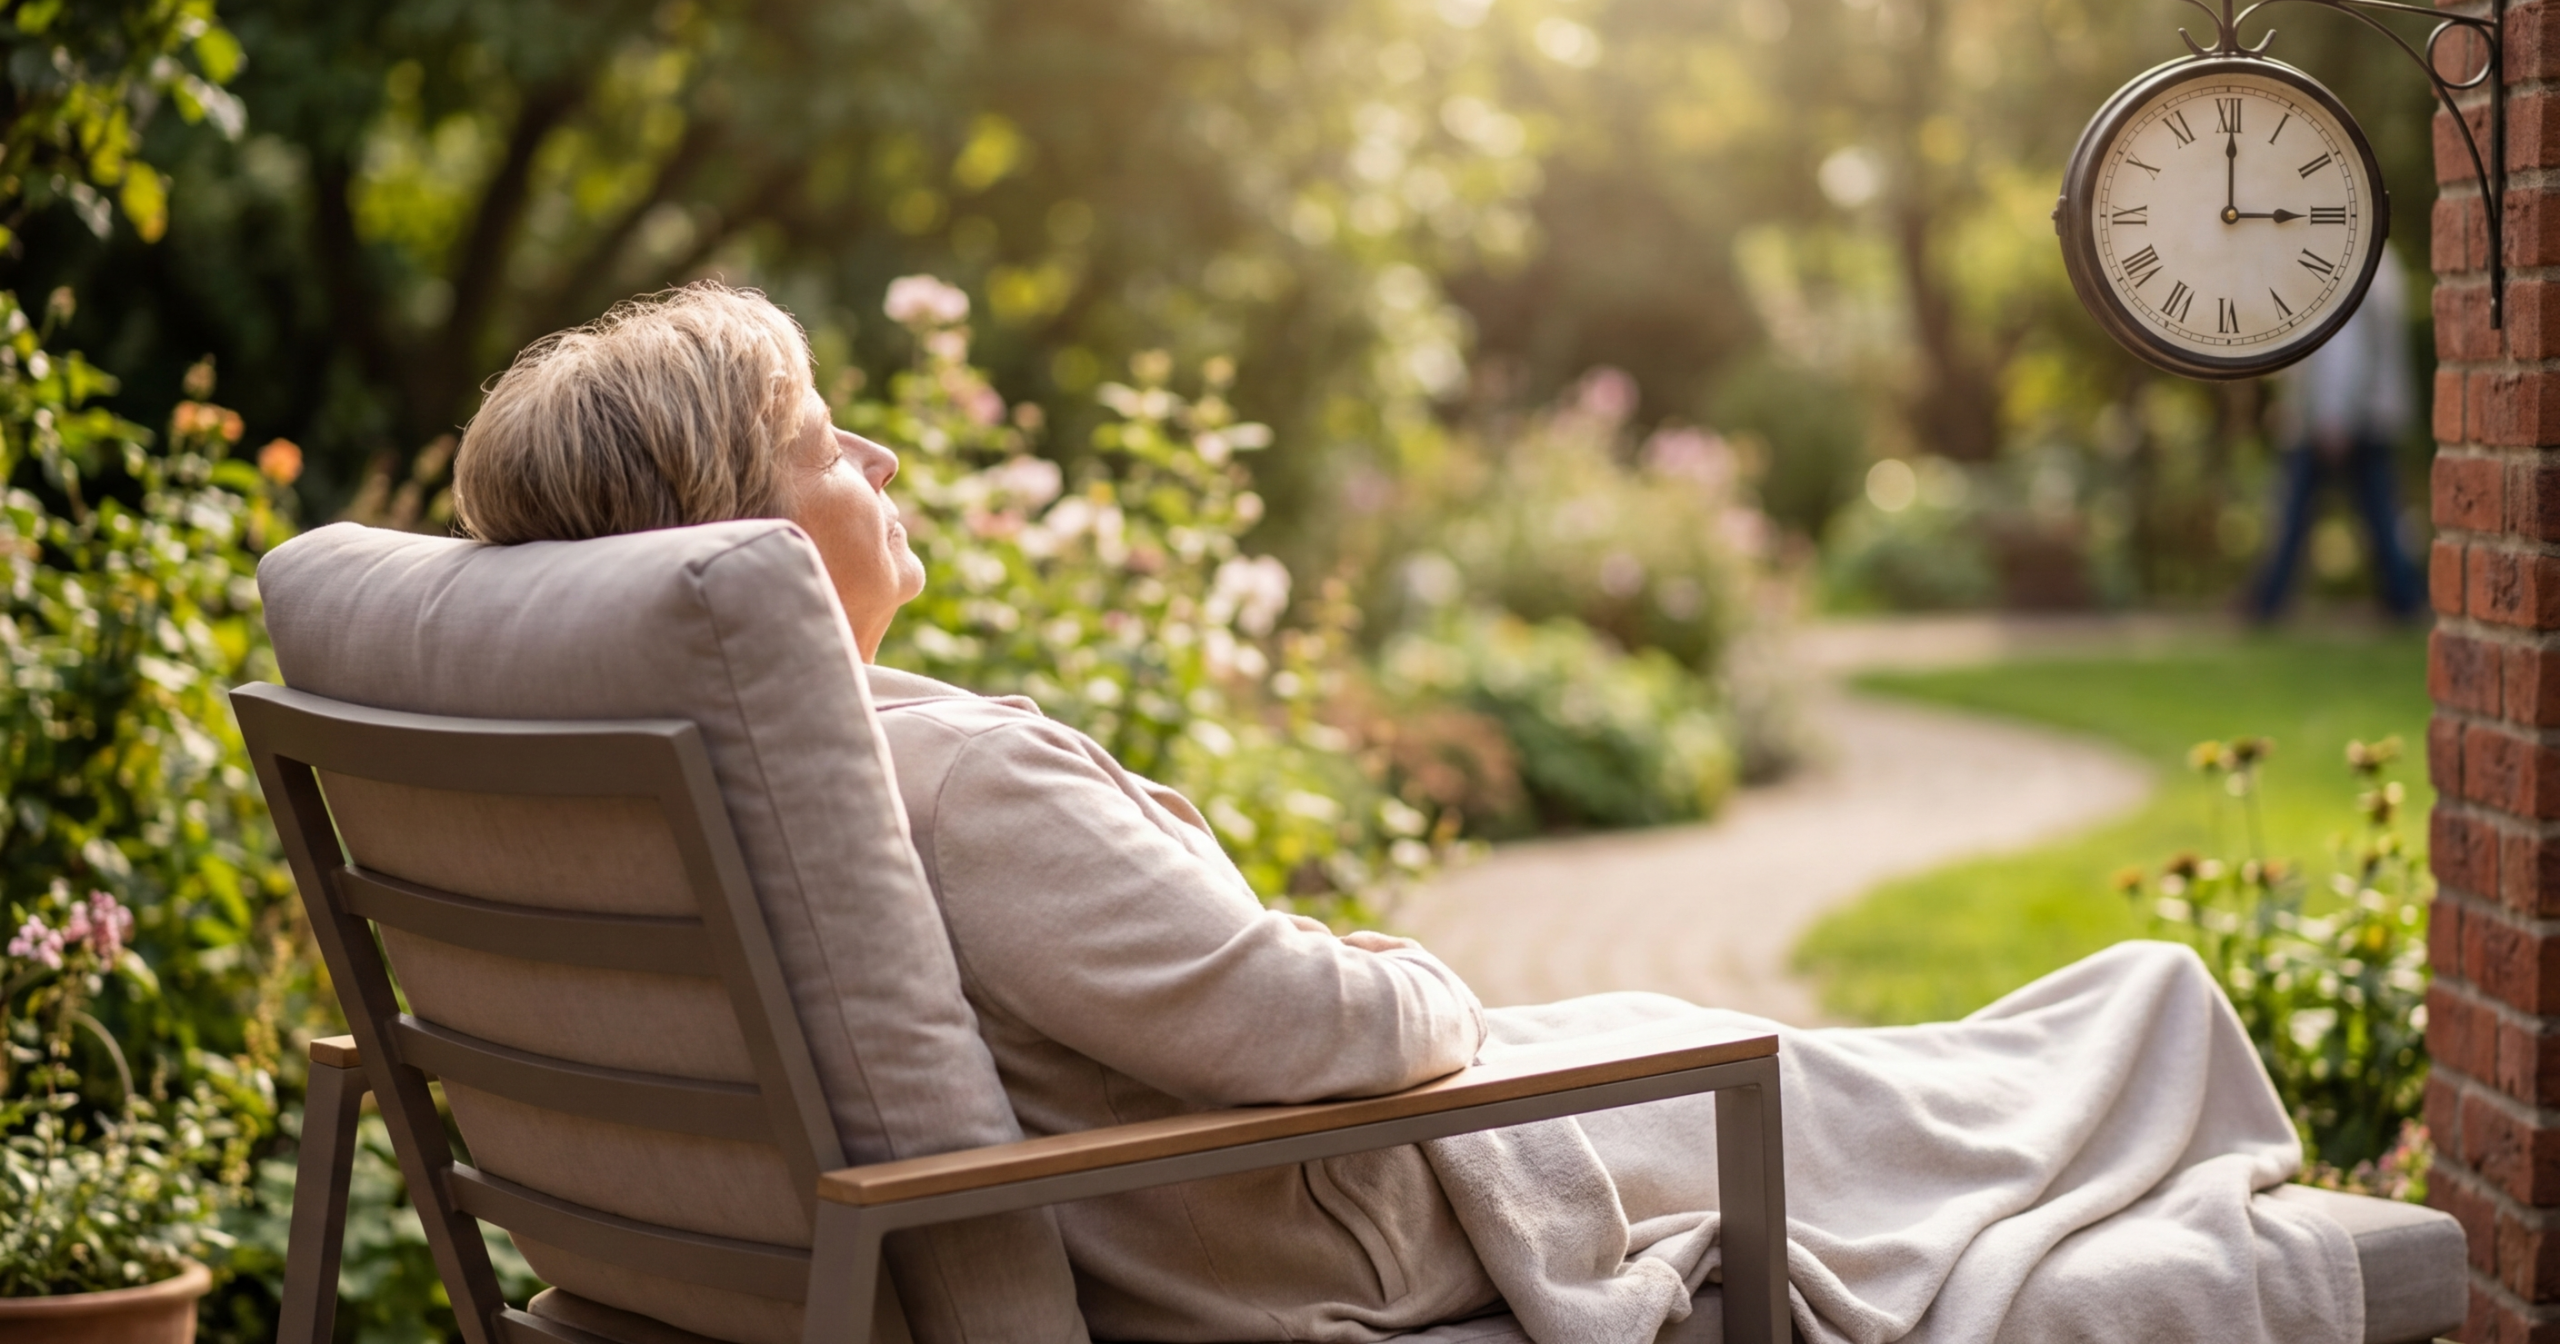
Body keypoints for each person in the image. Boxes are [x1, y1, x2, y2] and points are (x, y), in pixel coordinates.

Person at [445, 284, 2369, 1344]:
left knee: (1840, 1062)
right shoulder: (950, 785)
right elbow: (1323, 1032)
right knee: (1885, 1078)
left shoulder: (693, 789)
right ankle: (2164, 1074)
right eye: (818, 435)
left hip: (1212, 1203)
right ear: (743, 532)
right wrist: (1428, 988)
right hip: (1358, 1222)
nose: (873, 453)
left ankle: (2114, 1067)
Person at [2246, 245, 2425, 622]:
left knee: (2295, 514)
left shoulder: (2343, 257)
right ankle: (2404, 599)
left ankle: (2267, 603)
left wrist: (2334, 417)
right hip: (2372, 413)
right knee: (2379, 513)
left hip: (2336, 420)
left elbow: (2344, 348)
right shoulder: (2386, 260)